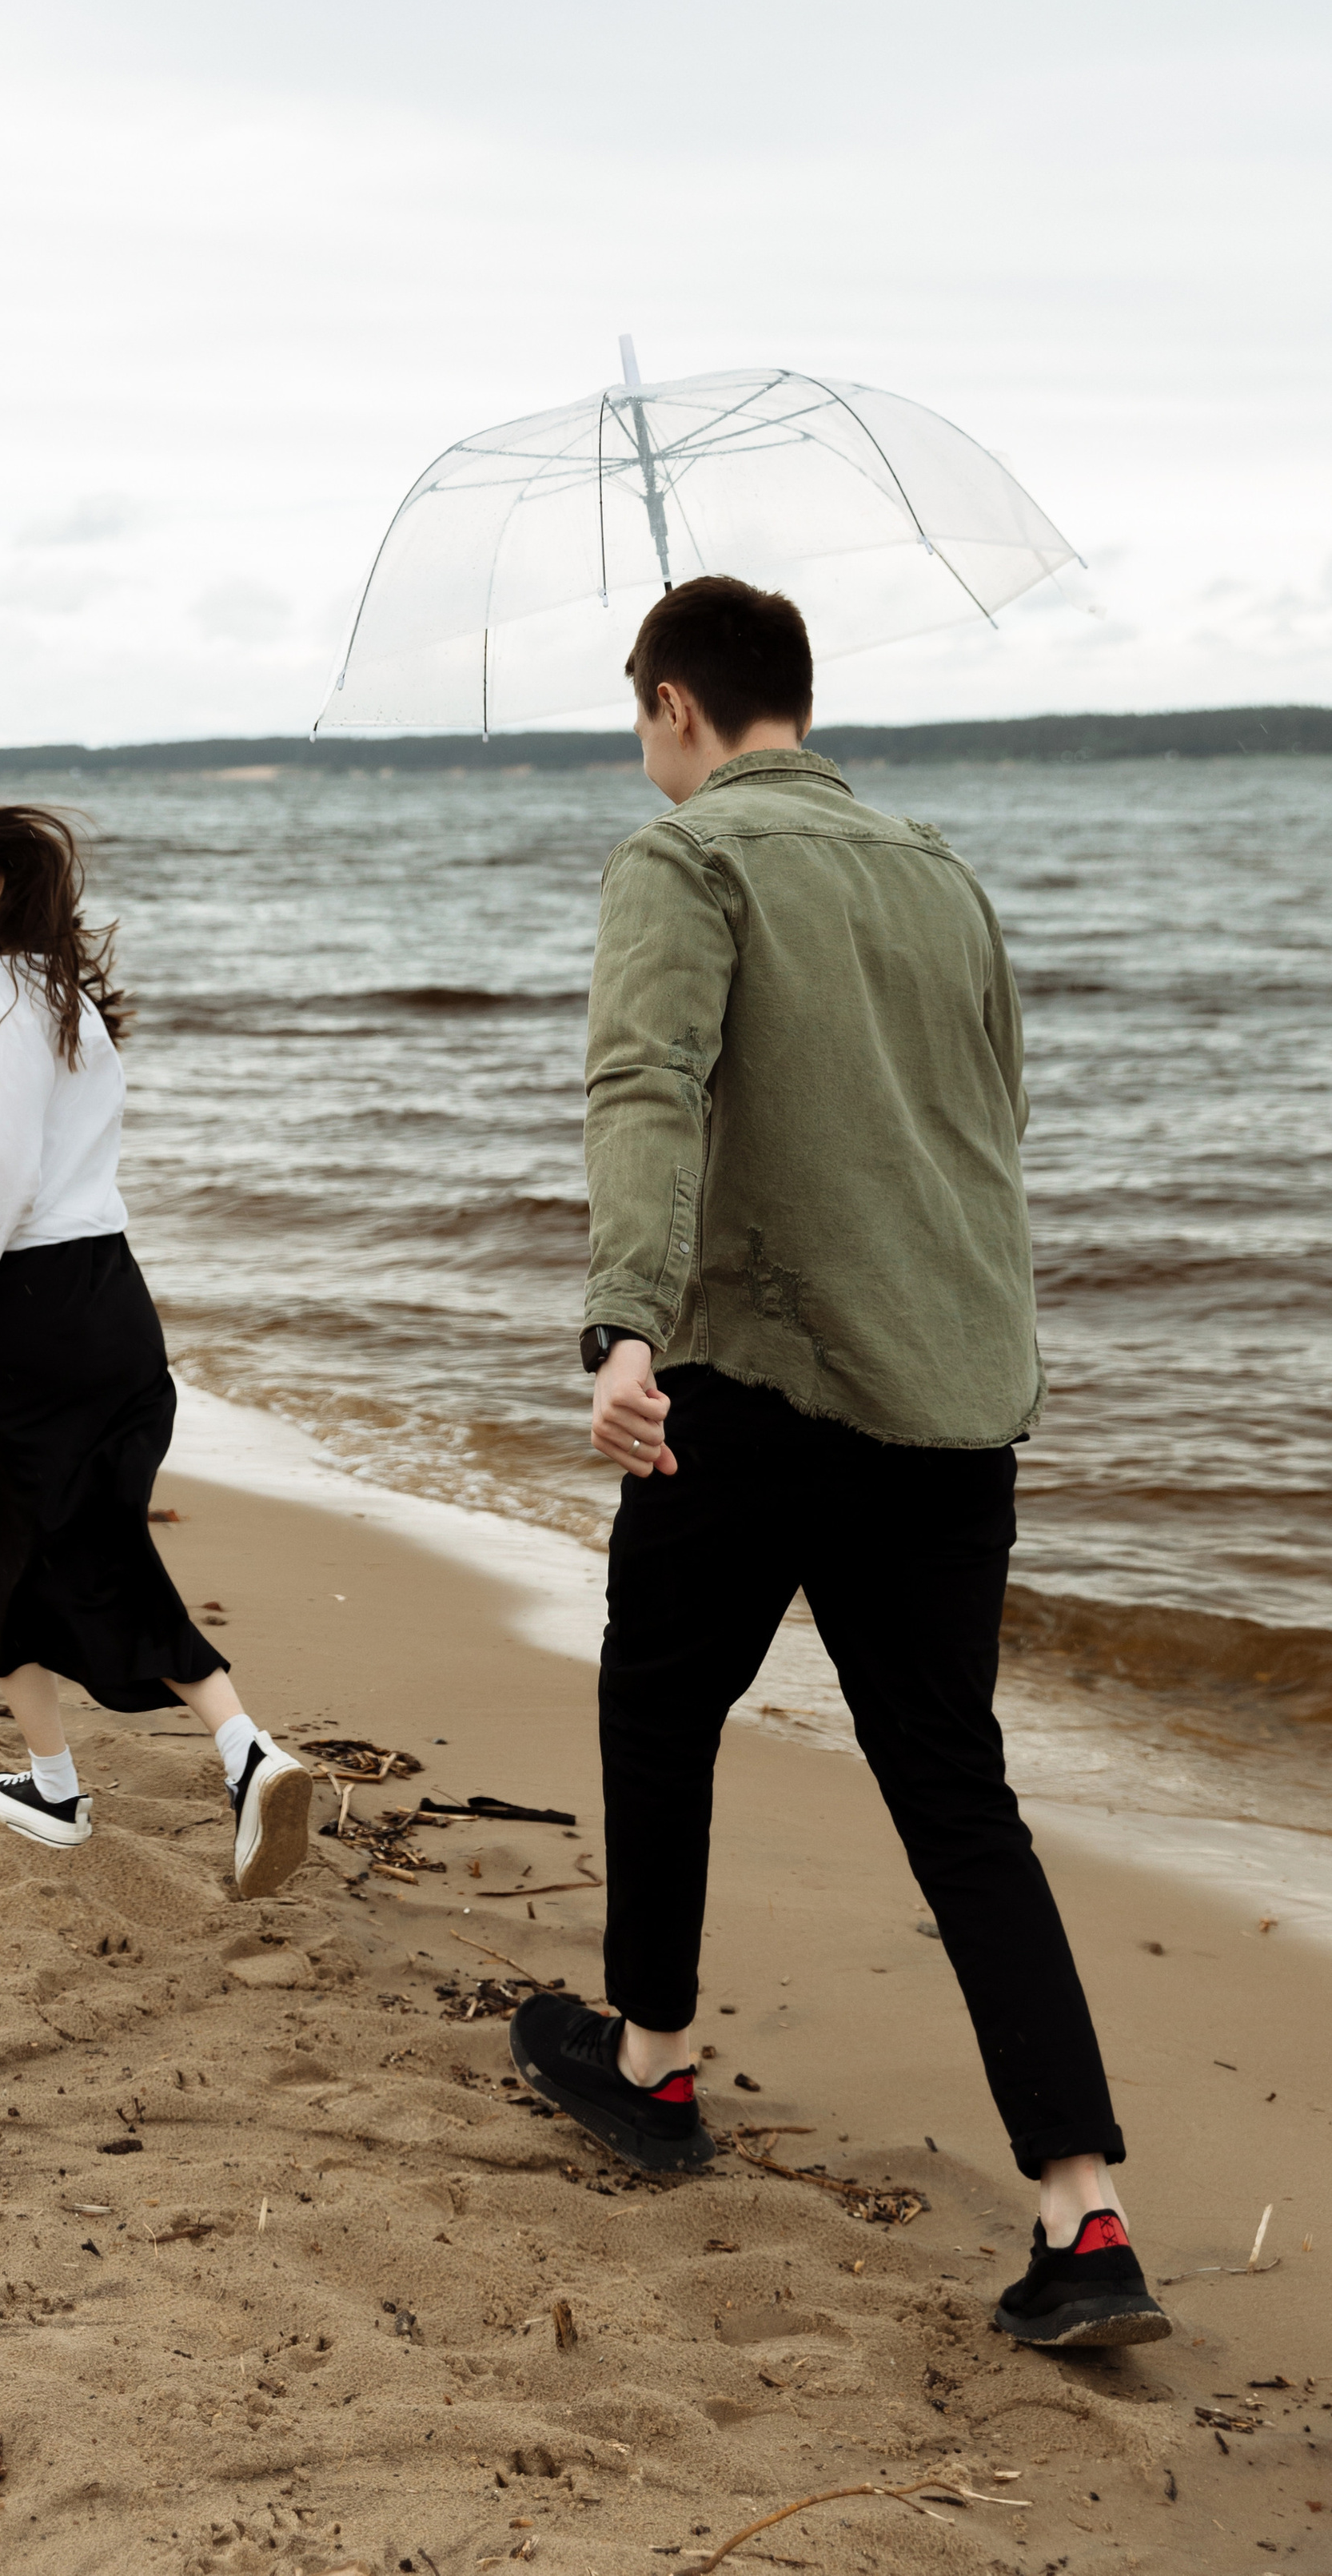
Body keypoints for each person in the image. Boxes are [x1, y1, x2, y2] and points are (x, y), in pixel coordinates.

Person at [508, 575, 1169, 2353]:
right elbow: (985, 1126)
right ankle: (1080, 2214)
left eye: (636, 715)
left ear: (668, 708)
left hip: (762, 1384)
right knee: (956, 1791)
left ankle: (648, 2066)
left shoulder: (684, 863)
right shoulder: (933, 866)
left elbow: (640, 1086)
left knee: (658, 1702)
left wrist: (620, 1330)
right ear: (790, 698)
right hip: (953, 1398)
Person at [0, 799, 312, 1900]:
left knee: (9, 1545)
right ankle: (239, 1751)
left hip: (34, 1313)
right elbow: (25, 1172)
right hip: (111, 1301)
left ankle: (60, 1787)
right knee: (90, 1539)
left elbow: (3, 1190)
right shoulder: (53, 994)